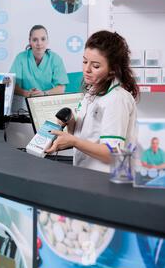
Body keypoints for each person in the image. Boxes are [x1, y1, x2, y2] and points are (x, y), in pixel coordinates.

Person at [46, 30, 139, 173]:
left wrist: (73, 141)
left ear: (113, 70)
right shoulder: (92, 91)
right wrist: (71, 122)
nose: (86, 69)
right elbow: (84, 135)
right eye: (84, 61)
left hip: (106, 179)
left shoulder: (117, 99)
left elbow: (113, 154)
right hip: (87, 174)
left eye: (95, 66)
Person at [10, 25, 69, 99]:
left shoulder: (55, 59)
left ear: (48, 40)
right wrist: (28, 93)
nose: (39, 43)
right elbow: (12, 84)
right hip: (24, 102)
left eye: (43, 39)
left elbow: (61, 87)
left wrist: (44, 94)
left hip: (47, 101)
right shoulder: (21, 58)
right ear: (30, 41)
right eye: (35, 40)